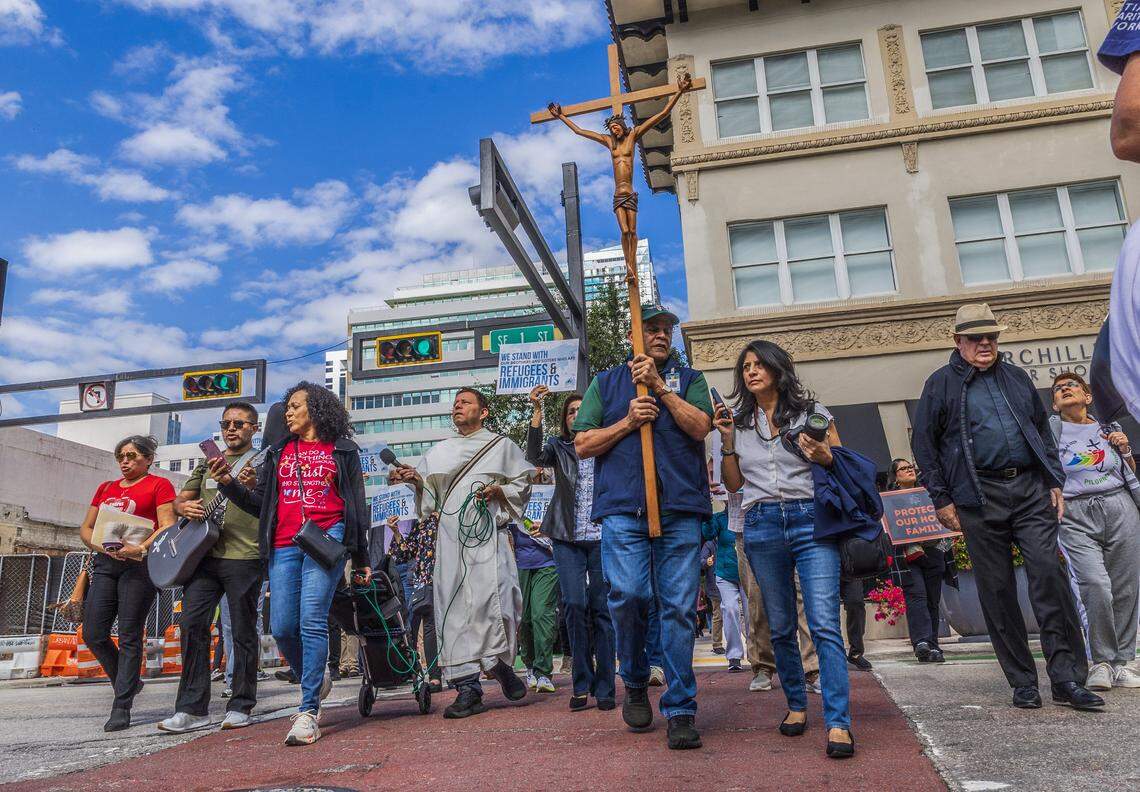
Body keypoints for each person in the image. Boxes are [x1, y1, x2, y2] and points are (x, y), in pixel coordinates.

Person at [911, 304, 1101, 711]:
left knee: (1049, 576)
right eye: (976, 338)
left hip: (1030, 488)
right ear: (958, 340)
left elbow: (1040, 432)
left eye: (992, 337)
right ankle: (1023, 682)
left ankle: (1066, 678)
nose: (985, 344)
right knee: (997, 591)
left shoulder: (1016, 377)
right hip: (978, 496)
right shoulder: (940, 385)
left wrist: (1053, 479)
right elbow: (924, 446)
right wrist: (941, 498)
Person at [573, 304, 713, 750]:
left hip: (680, 511)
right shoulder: (606, 383)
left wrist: (661, 391)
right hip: (622, 511)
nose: (660, 335)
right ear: (634, 334)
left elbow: (700, 427)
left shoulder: (690, 380)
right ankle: (633, 678)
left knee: (676, 609)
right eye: (651, 328)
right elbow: (582, 443)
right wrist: (629, 422)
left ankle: (681, 708)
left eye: (666, 330)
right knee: (629, 595)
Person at [213, 382, 372, 746]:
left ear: (315, 409)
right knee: (283, 626)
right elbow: (260, 504)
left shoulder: (344, 450)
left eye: (295, 406)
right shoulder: (278, 452)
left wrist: (361, 556)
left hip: (326, 538)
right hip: (284, 543)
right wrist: (228, 485)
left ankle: (308, 709)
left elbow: (357, 506)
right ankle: (314, 677)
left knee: (311, 618)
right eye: (287, 407)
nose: (287, 413)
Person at [717, 339, 854, 759]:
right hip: (760, 523)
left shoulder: (812, 412)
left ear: (778, 369)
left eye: (760, 365)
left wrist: (824, 456)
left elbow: (841, 460)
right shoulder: (738, 423)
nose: (752, 372)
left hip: (811, 517)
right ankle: (796, 705)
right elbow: (734, 486)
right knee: (779, 626)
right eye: (746, 367)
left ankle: (838, 722)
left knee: (824, 622)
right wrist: (725, 442)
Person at [389, 387, 533, 719]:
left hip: (488, 537)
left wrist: (500, 489)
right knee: (453, 613)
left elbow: (523, 484)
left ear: (483, 412)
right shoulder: (439, 451)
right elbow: (430, 503)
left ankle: (498, 663)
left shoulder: (501, 445)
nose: (457, 407)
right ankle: (468, 688)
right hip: (451, 542)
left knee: (500, 601)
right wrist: (415, 481)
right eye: (455, 403)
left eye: (465, 402)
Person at [159, 402, 265, 734]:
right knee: (192, 625)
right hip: (202, 556)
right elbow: (181, 499)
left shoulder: (263, 461)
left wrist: (244, 486)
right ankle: (192, 708)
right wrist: (184, 506)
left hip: (244, 555)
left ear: (254, 428)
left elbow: (267, 503)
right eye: (226, 423)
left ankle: (241, 704)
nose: (231, 429)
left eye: (239, 423)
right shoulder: (209, 463)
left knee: (243, 632)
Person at [526, 386, 615, 712]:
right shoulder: (559, 447)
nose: (577, 415)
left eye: (582, 409)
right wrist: (537, 410)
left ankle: (606, 686)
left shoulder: (609, 445)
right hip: (565, 539)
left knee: (602, 610)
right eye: (571, 412)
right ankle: (581, 683)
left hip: (602, 538)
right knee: (574, 607)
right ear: (565, 421)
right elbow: (533, 457)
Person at [1050, 371, 1140, 690]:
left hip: (1119, 505)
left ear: (1087, 397)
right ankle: (1100, 660)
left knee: (1126, 588)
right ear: (1055, 404)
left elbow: (1127, 472)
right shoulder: (1051, 431)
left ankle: (1123, 662)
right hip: (1074, 512)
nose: (1064, 390)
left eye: (1071, 385)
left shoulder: (1109, 428)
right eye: (1059, 389)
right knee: (1095, 585)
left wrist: (1126, 449)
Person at [79, 435, 175, 732]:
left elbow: (167, 525)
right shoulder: (105, 488)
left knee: (130, 634)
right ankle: (130, 682)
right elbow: (86, 527)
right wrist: (98, 546)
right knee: (94, 632)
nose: (125, 461)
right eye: (121, 456)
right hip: (106, 564)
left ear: (148, 459)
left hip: (139, 566)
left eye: (132, 456)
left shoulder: (159, 485)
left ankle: (121, 705)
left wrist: (141, 548)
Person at [887, 458, 949, 664]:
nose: (909, 470)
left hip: (934, 551)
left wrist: (944, 547)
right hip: (908, 556)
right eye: (903, 469)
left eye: (910, 467)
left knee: (932, 600)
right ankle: (921, 642)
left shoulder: (929, 494)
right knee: (917, 596)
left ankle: (933, 645)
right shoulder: (890, 501)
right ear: (896, 478)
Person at [386, 513, 443, 692]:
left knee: (438, 626)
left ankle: (449, 674)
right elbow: (405, 553)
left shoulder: (449, 516)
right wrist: (395, 532)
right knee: (423, 625)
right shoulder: (423, 523)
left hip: (447, 576)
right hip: (424, 581)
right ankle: (426, 674)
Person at [511, 491, 559, 695]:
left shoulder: (553, 492)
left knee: (542, 615)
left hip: (548, 563)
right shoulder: (511, 495)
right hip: (519, 565)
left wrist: (549, 528)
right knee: (526, 618)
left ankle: (544, 671)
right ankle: (530, 665)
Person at [702, 497, 747, 672]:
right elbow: (708, 533)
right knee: (729, 609)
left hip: (748, 572)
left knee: (751, 614)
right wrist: (707, 508)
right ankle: (734, 656)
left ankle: (756, 653)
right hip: (725, 573)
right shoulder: (720, 518)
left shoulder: (750, 514)